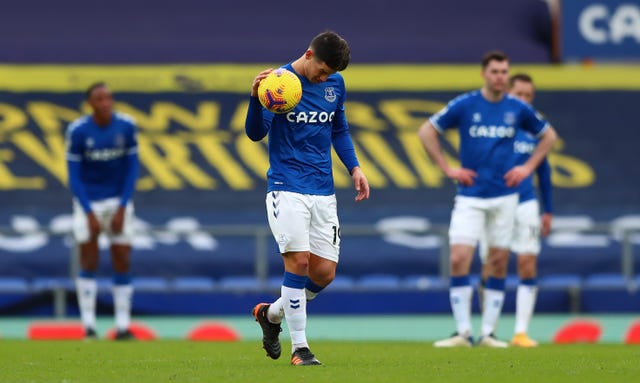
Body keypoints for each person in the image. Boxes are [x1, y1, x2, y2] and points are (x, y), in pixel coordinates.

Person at [245, 30, 370, 365]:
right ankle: (300, 349)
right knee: (298, 263)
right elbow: (256, 133)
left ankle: (271, 315)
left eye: (331, 74)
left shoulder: (335, 85)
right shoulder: (279, 83)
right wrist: (255, 99)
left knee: (324, 273)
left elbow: (338, 128)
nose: (324, 78)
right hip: (286, 187)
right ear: (309, 54)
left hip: (323, 190)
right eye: (323, 70)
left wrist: (354, 168)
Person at [417, 51, 557, 348]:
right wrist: (447, 168)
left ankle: (489, 333)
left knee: (497, 261)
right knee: (458, 257)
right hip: (470, 196)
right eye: (495, 71)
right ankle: (463, 332)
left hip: (506, 197)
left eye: (504, 72)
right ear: (484, 73)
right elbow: (426, 130)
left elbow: (549, 137)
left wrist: (527, 167)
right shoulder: (466, 104)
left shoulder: (517, 108)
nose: (500, 77)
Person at [478, 73, 553, 347]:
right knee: (491, 264)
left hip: (526, 203)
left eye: (528, 96)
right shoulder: (493, 122)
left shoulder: (536, 128)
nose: (524, 100)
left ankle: (521, 332)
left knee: (526, 262)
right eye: (519, 94)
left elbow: (544, 171)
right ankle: (489, 330)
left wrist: (549, 210)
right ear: (509, 93)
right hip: (495, 202)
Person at [65, 82, 139, 340]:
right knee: (89, 258)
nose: (105, 103)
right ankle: (89, 327)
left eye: (108, 98)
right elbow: (74, 176)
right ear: (90, 103)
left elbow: (132, 170)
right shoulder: (78, 131)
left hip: (118, 201)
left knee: (122, 258)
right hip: (90, 202)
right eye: (100, 99)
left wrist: (122, 206)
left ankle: (122, 326)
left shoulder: (127, 126)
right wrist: (88, 211)